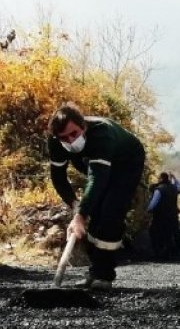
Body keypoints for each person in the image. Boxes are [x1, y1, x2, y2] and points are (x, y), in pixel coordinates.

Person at [47, 102, 146, 289]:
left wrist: (79, 215)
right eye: (64, 138)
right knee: (93, 212)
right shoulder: (56, 143)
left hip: (126, 164)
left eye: (74, 134)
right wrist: (75, 205)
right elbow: (58, 177)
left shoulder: (101, 134)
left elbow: (97, 178)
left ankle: (104, 275)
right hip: (97, 167)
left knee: (110, 212)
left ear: (83, 126)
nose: (70, 141)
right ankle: (95, 271)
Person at [147, 172, 180, 259]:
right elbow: (179, 187)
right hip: (173, 214)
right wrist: (174, 178)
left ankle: (158, 252)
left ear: (161, 179)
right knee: (173, 233)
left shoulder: (159, 189)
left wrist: (149, 210)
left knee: (154, 232)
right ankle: (175, 252)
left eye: (159, 178)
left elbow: (154, 203)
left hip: (160, 215)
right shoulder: (174, 188)